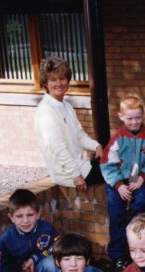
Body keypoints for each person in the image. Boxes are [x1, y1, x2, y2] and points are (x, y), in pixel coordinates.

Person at [101, 95, 145, 272]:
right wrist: (118, 185)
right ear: (121, 116)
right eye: (129, 118)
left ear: (144, 115)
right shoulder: (117, 139)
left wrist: (143, 176)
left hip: (140, 178)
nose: (134, 122)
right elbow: (107, 164)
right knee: (115, 208)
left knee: (142, 201)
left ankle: (135, 244)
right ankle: (118, 255)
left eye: (138, 117)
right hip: (119, 179)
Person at [33, 56, 103, 191]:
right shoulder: (46, 112)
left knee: (117, 159)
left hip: (82, 164)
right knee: (117, 170)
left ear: (68, 81)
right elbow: (57, 148)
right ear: (46, 83)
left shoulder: (66, 106)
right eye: (53, 80)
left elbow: (79, 135)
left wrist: (96, 146)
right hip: (68, 173)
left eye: (62, 78)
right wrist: (76, 175)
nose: (59, 83)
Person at [0, 189, 59, 272]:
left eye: (30, 215)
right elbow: (0, 265)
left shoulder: (47, 228)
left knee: (50, 263)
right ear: (11, 217)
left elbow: (57, 247)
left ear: (38, 214)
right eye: (19, 216)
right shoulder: (4, 240)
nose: (25, 221)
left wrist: (35, 258)